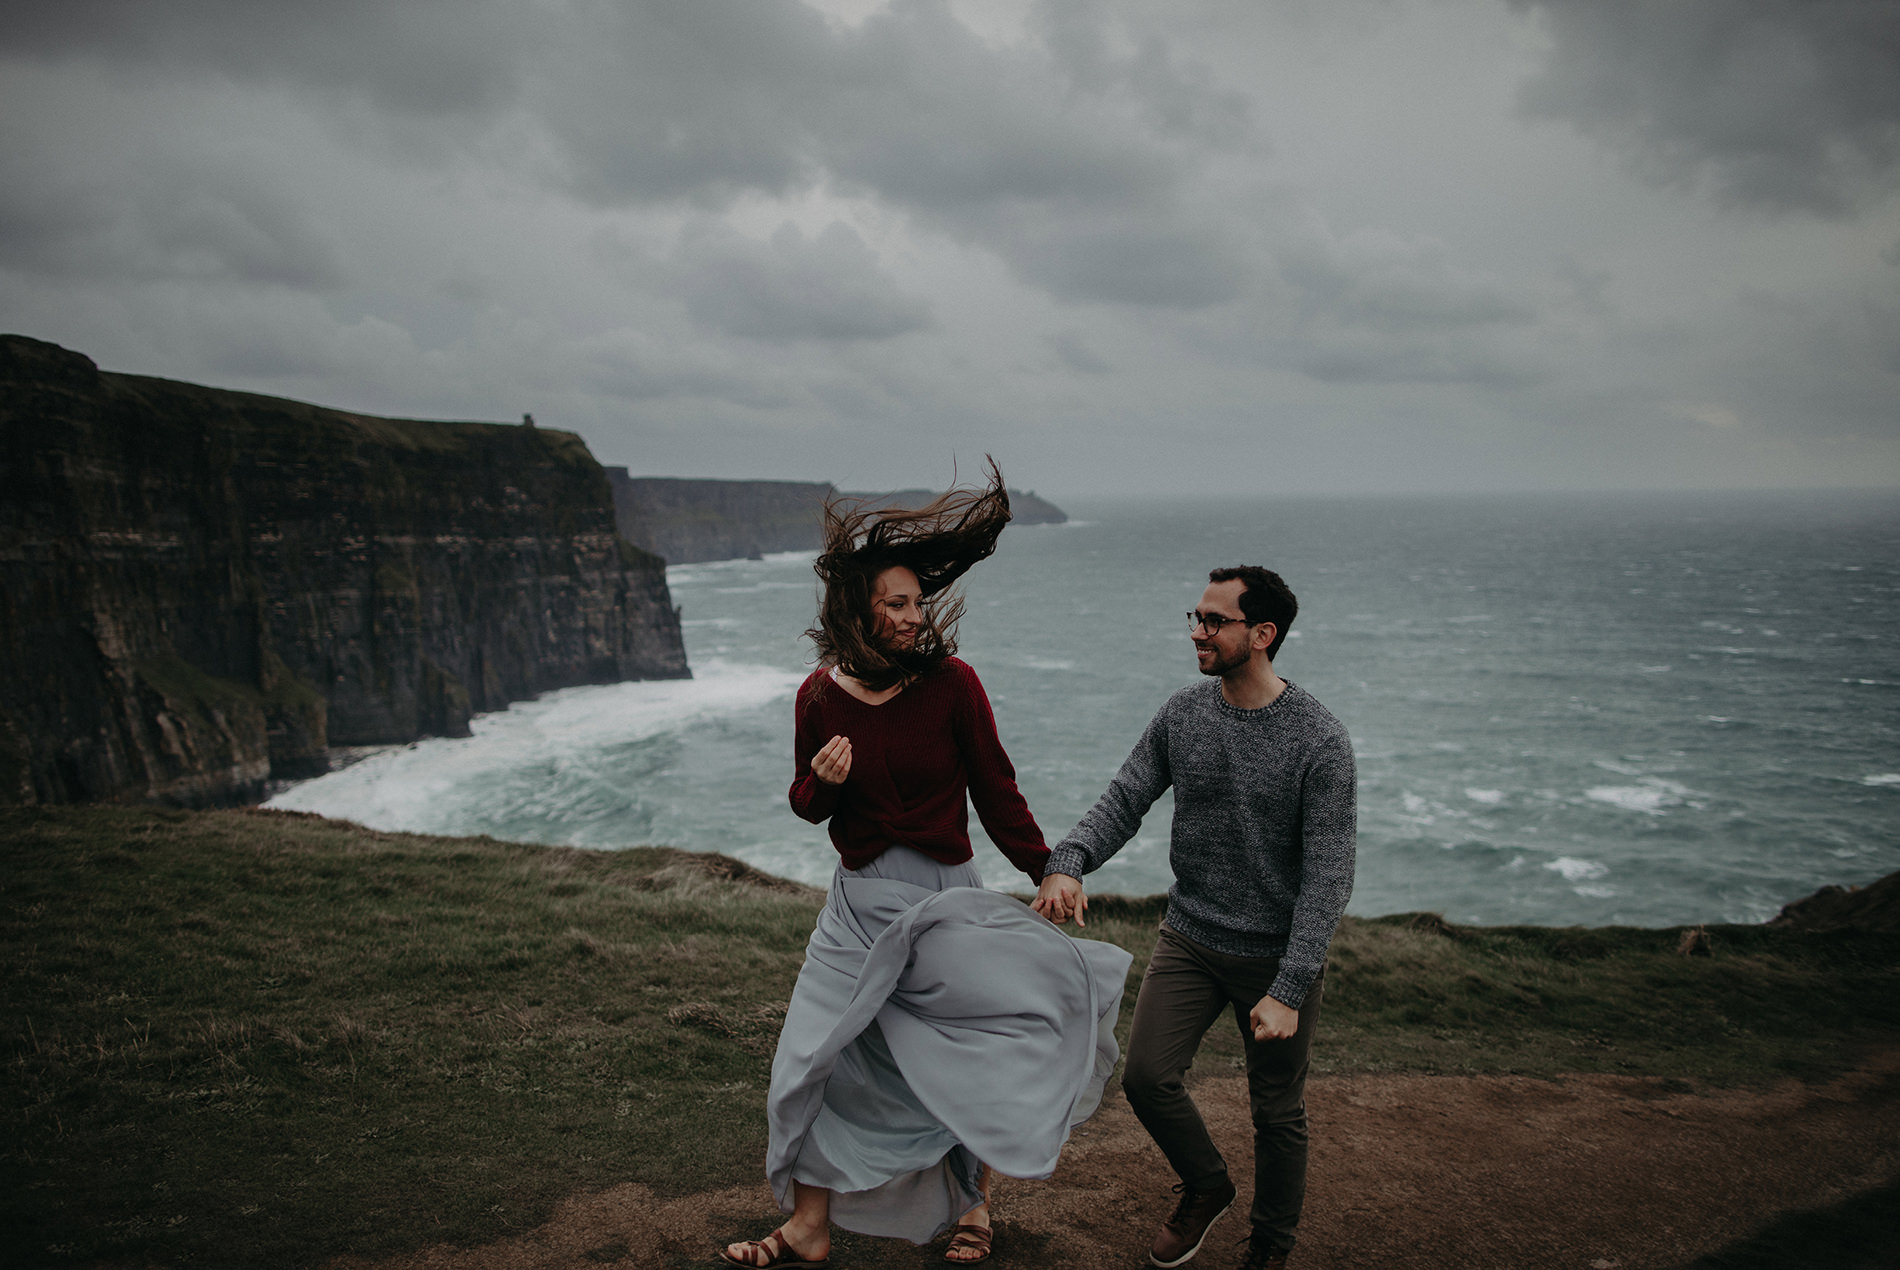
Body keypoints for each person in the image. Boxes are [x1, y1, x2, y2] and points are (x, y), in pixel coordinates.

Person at [722, 464, 1131, 1270]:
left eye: (917, 604)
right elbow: (806, 804)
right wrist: (822, 784)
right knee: (809, 1058)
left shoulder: (952, 686)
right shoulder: (817, 698)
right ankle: (809, 1226)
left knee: (961, 1058)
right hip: (858, 907)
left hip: (943, 905)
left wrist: (1050, 866)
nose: (914, 618)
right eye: (897, 605)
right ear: (858, 611)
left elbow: (997, 791)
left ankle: (972, 1206)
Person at [1031, 566, 1356, 1270]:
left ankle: (1269, 1249)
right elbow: (1125, 798)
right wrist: (1069, 860)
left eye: (1215, 622)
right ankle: (1207, 1186)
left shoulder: (1319, 740)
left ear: (1262, 634)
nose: (1197, 632)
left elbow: (1330, 875)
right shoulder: (1184, 713)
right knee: (1147, 1076)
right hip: (1193, 938)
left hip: (1275, 956)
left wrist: (1291, 986)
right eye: (1197, 617)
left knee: (1277, 1113)